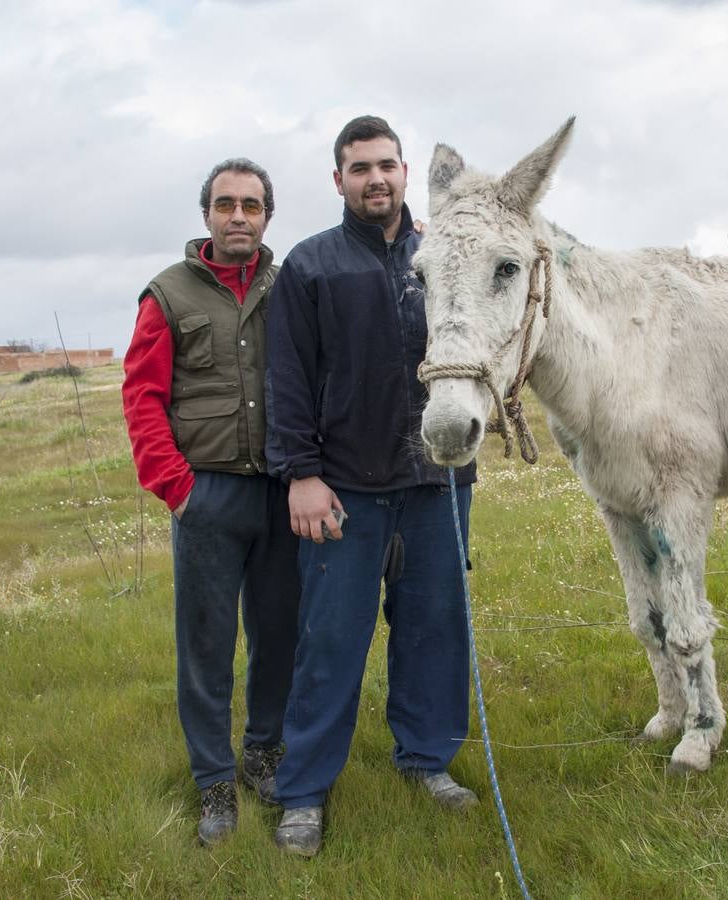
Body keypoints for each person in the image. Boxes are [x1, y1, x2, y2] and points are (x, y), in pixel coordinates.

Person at [266, 115, 478, 857]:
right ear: (338, 181)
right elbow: (286, 380)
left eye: (386, 165)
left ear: (405, 172)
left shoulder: (440, 255)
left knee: (435, 631)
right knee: (330, 641)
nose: (375, 179)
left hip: (437, 480)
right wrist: (302, 475)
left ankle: (426, 760)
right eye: (359, 168)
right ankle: (303, 793)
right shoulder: (311, 266)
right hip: (343, 488)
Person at [123, 158, 300, 845]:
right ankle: (213, 782)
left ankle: (263, 755)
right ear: (206, 216)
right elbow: (141, 399)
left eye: (251, 206)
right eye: (225, 204)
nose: (238, 217)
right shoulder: (167, 295)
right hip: (208, 496)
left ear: (266, 217)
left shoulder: (293, 289)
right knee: (205, 647)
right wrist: (180, 490)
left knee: (279, 637)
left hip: (281, 496)